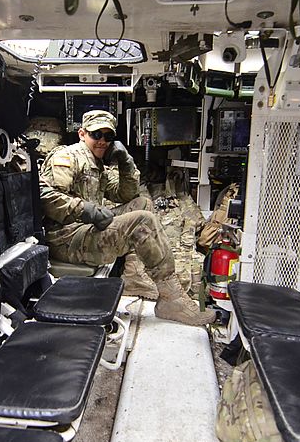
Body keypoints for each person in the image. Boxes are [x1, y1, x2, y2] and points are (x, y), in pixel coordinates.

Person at [39, 109, 215, 327]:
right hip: (68, 240)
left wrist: (125, 162)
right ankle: (172, 299)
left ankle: (134, 276)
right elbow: (46, 196)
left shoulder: (97, 164)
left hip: (84, 230)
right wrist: (85, 210)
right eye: (96, 135)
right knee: (142, 220)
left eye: (108, 136)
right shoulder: (68, 157)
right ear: (82, 134)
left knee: (142, 204)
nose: (102, 141)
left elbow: (127, 194)